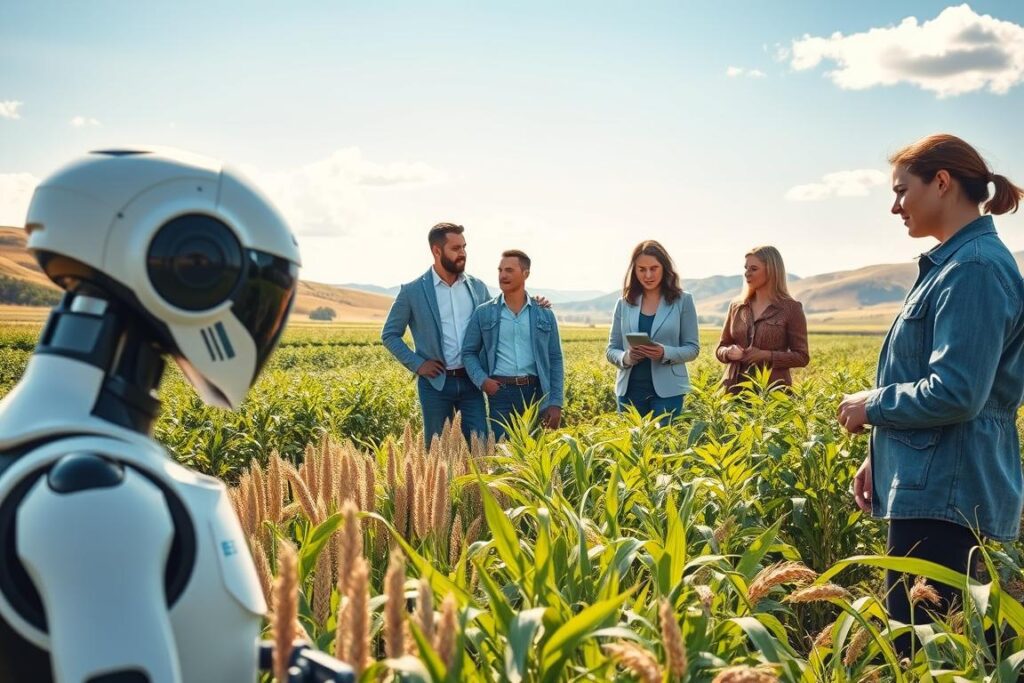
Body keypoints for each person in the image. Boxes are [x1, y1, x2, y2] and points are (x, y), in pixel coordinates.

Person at [839, 134, 1024, 642]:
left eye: (901, 191)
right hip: (934, 481)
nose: (894, 206)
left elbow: (957, 391)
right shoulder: (954, 263)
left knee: (922, 648)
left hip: (949, 490)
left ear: (941, 183)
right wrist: (881, 453)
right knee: (931, 645)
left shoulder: (974, 269)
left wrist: (871, 406)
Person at [381, 223, 491, 445]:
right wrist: (418, 364)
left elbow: (497, 322)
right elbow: (390, 334)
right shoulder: (412, 291)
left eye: (464, 247)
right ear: (436, 251)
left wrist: (536, 304)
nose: (462, 253)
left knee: (482, 448)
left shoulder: (478, 287)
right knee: (438, 453)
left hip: (472, 382)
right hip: (435, 385)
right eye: (456, 248)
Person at [462, 250, 564, 440]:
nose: (503, 275)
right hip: (500, 394)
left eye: (509, 270)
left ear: (525, 274)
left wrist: (556, 402)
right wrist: (482, 381)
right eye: (500, 270)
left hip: (535, 394)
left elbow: (555, 359)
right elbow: (468, 352)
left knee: (533, 457)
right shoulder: (484, 312)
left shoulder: (544, 314)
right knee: (503, 455)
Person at [605, 240, 699, 424]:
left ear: (664, 268)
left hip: (668, 393)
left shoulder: (683, 301)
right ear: (634, 271)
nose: (648, 275)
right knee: (631, 449)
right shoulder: (623, 303)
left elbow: (692, 348)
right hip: (629, 391)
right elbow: (611, 350)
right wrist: (627, 357)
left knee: (663, 448)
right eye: (642, 269)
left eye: (653, 268)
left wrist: (665, 352)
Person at [715, 246, 809, 392]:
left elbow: (802, 357)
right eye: (746, 268)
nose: (747, 274)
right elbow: (721, 348)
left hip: (772, 395)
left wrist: (766, 355)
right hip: (733, 392)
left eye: (754, 269)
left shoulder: (791, 309)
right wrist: (728, 352)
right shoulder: (737, 306)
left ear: (772, 271)